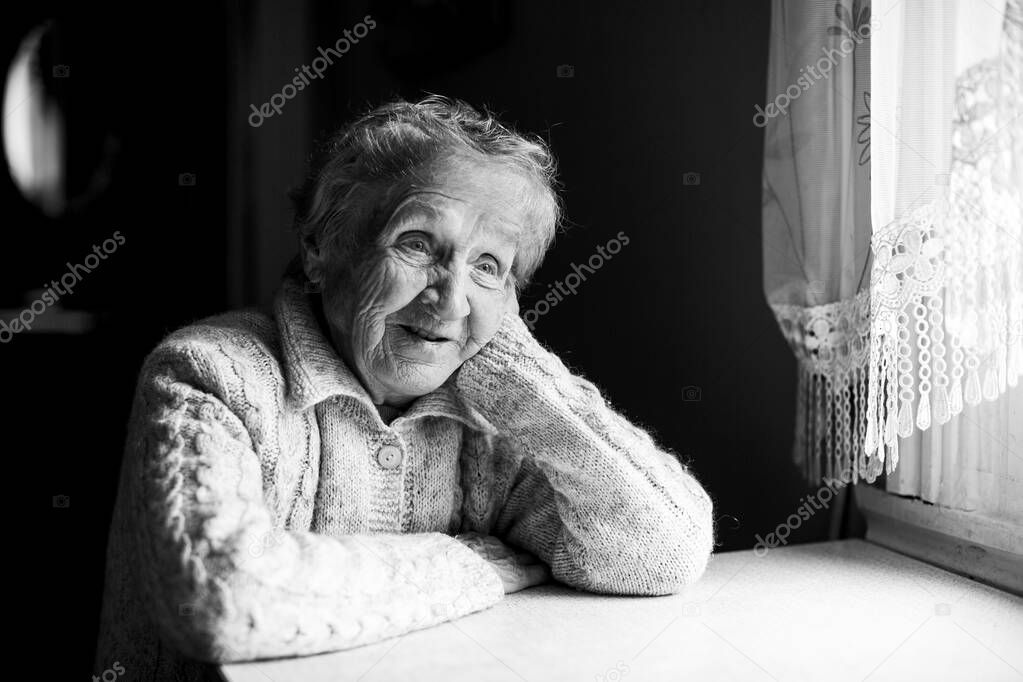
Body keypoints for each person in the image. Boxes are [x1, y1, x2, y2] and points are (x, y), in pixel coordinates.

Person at [94, 95, 715, 680]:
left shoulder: (499, 417)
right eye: (416, 244)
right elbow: (223, 599)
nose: (449, 299)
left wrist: (516, 372)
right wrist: (481, 561)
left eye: (487, 267)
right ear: (319, 247)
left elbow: (663, 551)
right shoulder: (209, 373)